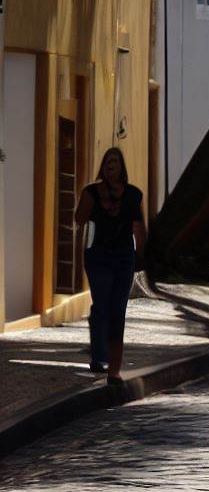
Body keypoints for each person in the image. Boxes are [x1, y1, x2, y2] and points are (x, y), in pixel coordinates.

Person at [74, 147, 146, 385]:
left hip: (124, 258)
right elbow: (79, 220)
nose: (110, 165)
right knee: (102, 305)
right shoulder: (91, 192)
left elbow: (138, 226)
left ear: (122, 166)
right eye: (107, 161)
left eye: (114, 161)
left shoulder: (134, 194)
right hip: (97, 258)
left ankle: (114, 370)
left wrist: (142, 256)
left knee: (118, 311)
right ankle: (99, 356)